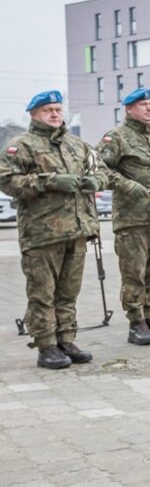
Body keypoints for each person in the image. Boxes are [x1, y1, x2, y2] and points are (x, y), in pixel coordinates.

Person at [0, 90, 108, 369]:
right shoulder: (22, 146)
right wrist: (50, 181)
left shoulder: (76, 144)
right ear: (34, 114)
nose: (55, 114)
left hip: (77, 229)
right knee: (42, 293)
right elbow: (6, 180)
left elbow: (101, 170)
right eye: (48, 110)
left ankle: (66, 339)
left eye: (58, 110)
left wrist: (96, 181)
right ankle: (46, 345)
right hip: (42, 233)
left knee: (68, 292)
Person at [97, 87, 150, 346]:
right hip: (132, 219)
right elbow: (98, 168)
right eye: (143, 104)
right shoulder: (117, 137)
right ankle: (136, 323)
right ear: (129, 109)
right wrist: (127, 185)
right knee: (134, 272)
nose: (149, 108)